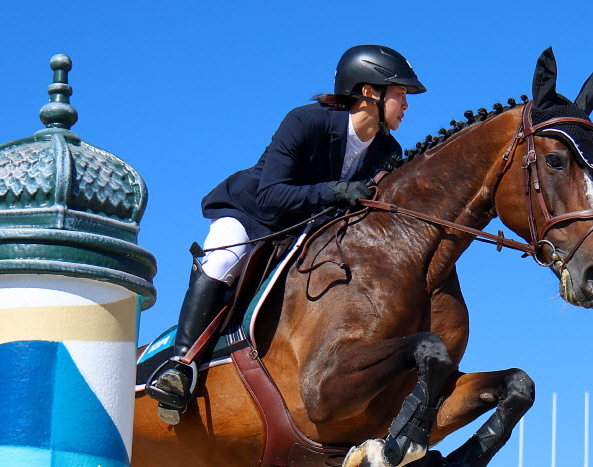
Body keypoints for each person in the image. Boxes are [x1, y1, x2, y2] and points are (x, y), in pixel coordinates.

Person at [147, 44, 426, 424]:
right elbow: (271, 193)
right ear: (368, 92)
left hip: (306, 233)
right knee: (222, 260)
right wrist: (334, 191)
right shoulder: (306, 121)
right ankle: (179, 367)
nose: (406, 105)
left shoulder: (388, 151)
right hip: (253, 215)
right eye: (400, 95)